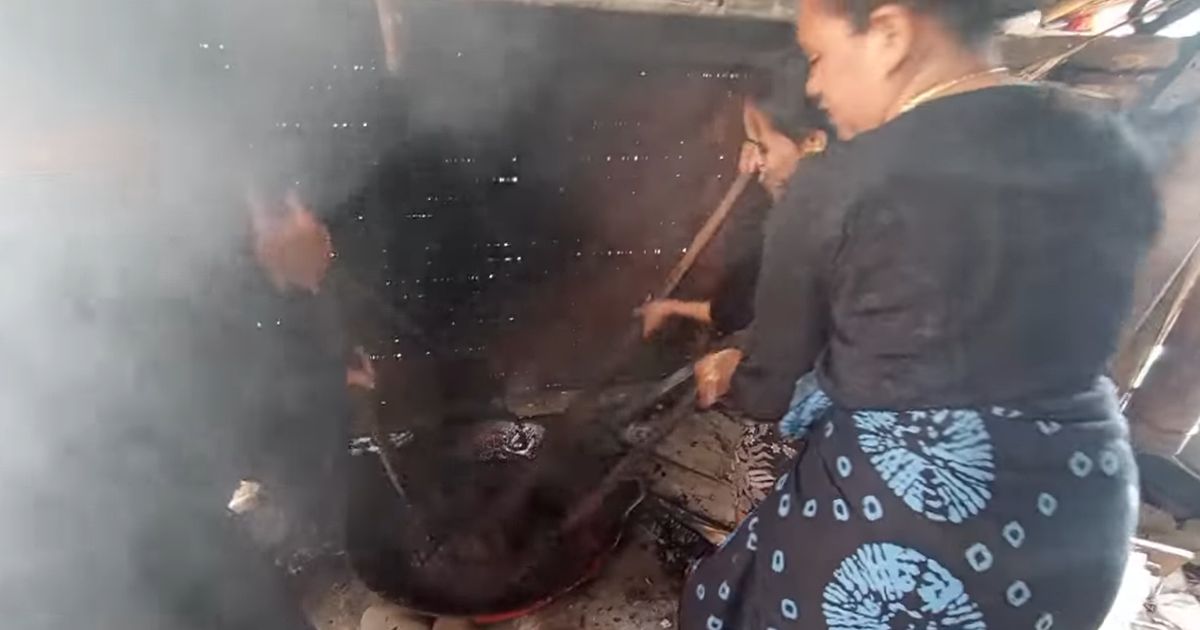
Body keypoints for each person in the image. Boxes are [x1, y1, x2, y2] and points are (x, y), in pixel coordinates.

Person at [682, 0, 1161, 628]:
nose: (815, 84)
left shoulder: (838, 181)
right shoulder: (1108, 146)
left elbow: (769, 390)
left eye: (820, 57)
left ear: (889, 32)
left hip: (903, 534)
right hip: (1081, 510)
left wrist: (732, 367)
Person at [640, 54, 829, 516]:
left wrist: (739, 368)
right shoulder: (815, 212)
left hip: (829, 442)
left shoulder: (819, 227)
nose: (753, 158)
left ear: (813, 141)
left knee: (757, 475)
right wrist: (676, 309)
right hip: (816, 413)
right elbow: (749, 302)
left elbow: (776, 359)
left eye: (761, 142)